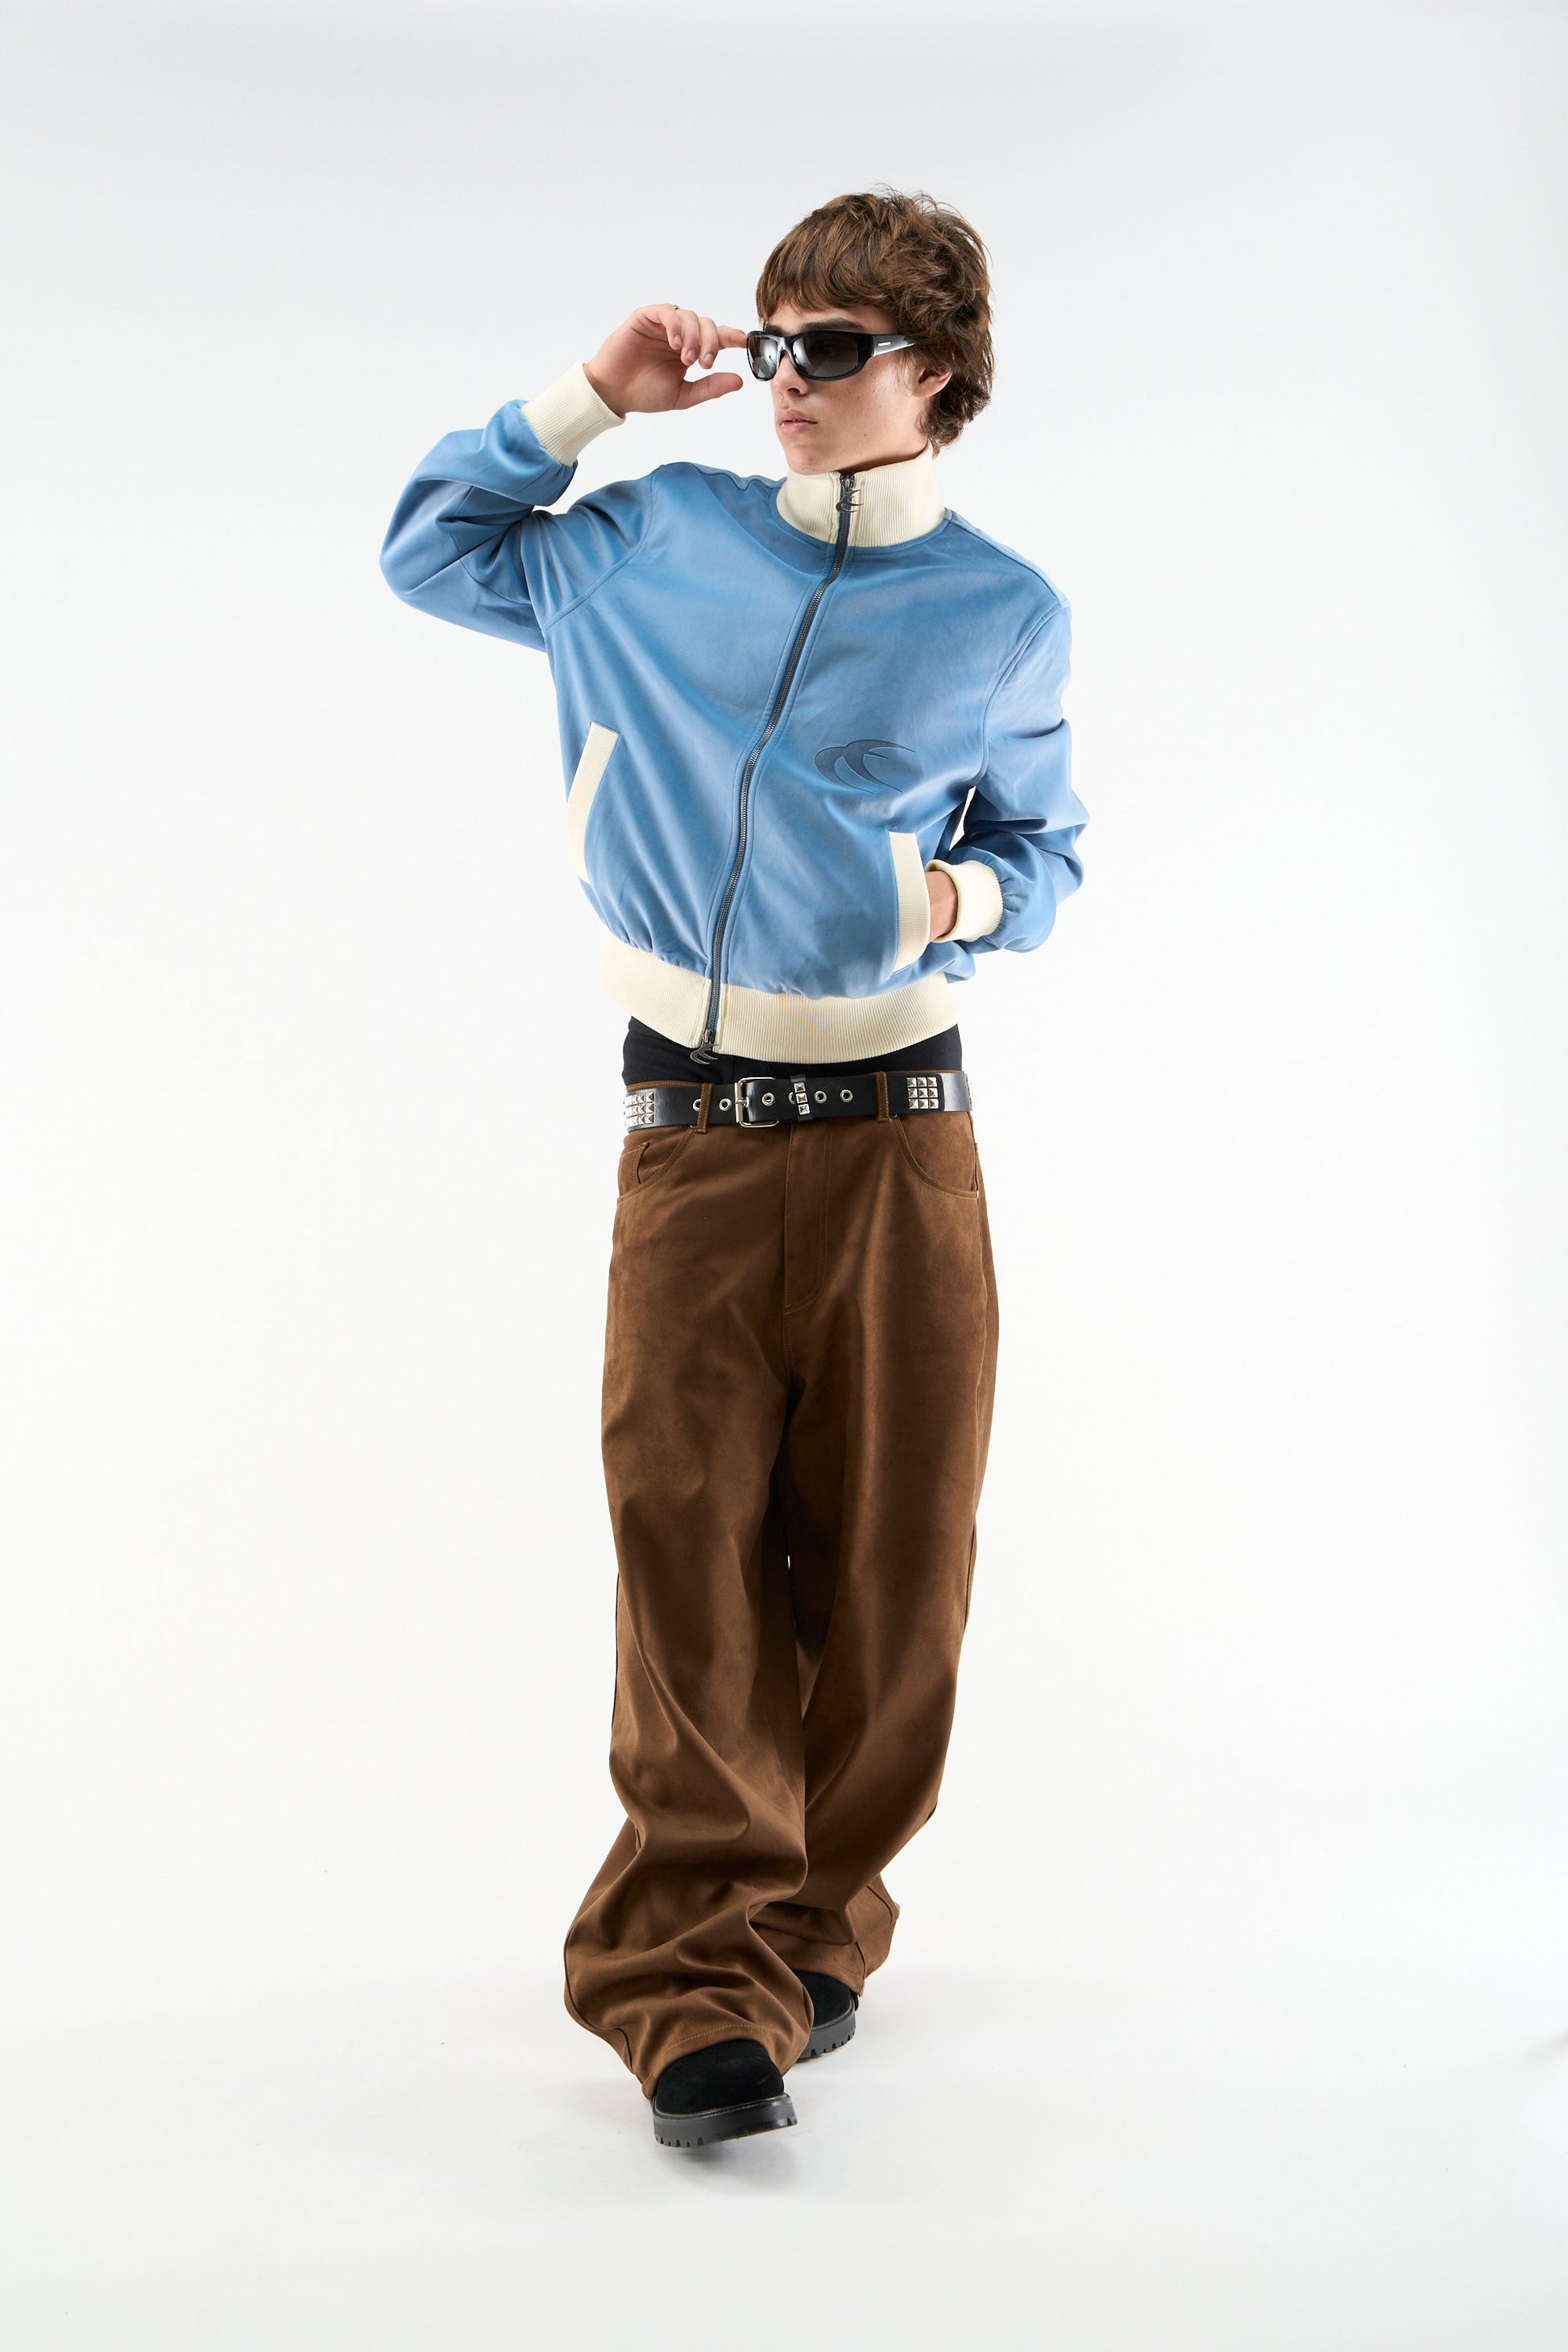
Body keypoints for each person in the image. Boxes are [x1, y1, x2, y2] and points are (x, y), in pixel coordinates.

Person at [380, 189, 1085, 2147]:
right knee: (683, 1540)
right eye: (774, 341)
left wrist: (949, 897)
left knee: (894, 1570)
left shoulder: (1002, 609)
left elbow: (1043, 852)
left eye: (831, 348)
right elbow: (430, 550)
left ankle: (814, 1921)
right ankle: (689, 1973)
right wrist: (587, 399)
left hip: (903, 1142)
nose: (785, 380)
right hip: (689, 1130)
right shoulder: (647, 537)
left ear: (936, 375)